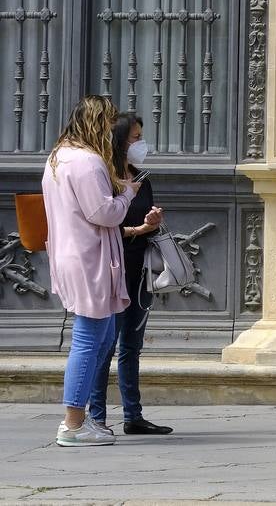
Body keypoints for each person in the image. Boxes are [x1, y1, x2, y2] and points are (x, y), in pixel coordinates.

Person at [42, 95, 155, 447]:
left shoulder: (59, 157)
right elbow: (102, 212)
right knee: (90, 339)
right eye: (108, 124)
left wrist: (117, 190)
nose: (110, 132)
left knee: (104, 337)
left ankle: (86, 419)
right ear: (96, 123)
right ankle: (73, 424)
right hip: (89, 257)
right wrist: (127, 196)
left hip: (74, 254)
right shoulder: (88, 161)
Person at [87, 113, 172, 436]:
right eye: (135, 138)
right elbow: (102, 226)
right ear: (120, 142)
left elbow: (140, 219)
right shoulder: (103, 180)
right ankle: (96, 416)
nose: (141, 144)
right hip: (113, 269)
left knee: (132, 346)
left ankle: (133, 415)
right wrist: (138, 228)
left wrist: (153, 219)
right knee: (105, 345)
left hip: (141, 271)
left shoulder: (142, 178)